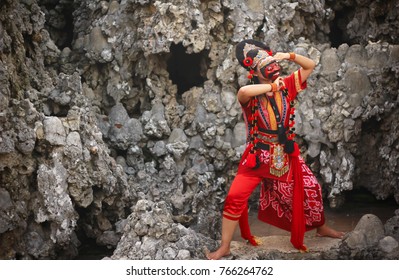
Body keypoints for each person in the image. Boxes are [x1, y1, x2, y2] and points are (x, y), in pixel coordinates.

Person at [206, 39, 344, 260]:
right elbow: (243, 91)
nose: (270, 64)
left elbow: (309, 66)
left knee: (311, 189)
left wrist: (288, 56)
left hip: (283, 155)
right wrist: (271, 86)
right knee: (234, 197)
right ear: (255, 69)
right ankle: (225, 246)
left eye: (270, 59)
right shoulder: (251, 94)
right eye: (264, 62)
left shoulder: (288, 86)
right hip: (256, 157)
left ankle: (321, 227)